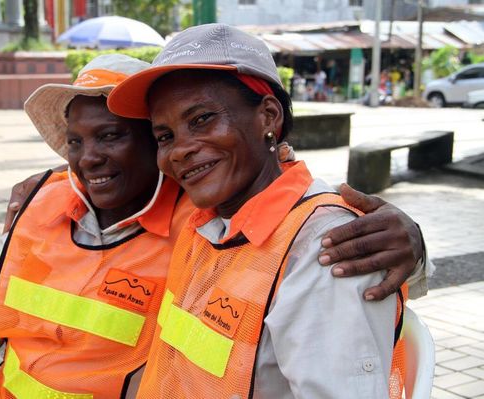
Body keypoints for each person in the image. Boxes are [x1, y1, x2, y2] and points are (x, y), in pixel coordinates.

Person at [0, 53, 428, 398]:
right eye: (75, 143)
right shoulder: (42, 205)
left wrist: (412, 247)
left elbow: (303, 226)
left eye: (113, 137)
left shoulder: (201, 220)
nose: (87, 158)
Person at [107, 23, 416, 398]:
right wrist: (52, 184)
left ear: (268, 116)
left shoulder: (325, 248)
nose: (179, 151)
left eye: (202, 119)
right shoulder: (209, 217)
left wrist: (415, 247)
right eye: (165, 136)